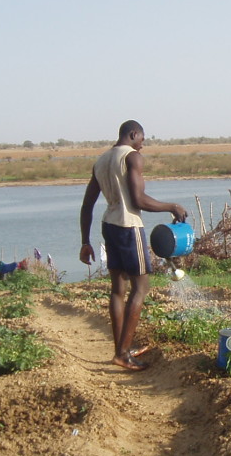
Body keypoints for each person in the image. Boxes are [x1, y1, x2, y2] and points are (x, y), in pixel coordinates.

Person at [80, 120, 187, 372]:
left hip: (109, 224)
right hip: (128, 226)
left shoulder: (102, 160)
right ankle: (123, 354)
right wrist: (172, 206)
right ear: (133, 134)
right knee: (141, 287)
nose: (143, 144)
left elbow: (87, 206)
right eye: (142, 139)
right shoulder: (132, 158)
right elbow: (139, 201)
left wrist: (85, 241)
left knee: (118, 289)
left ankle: (121, 349)